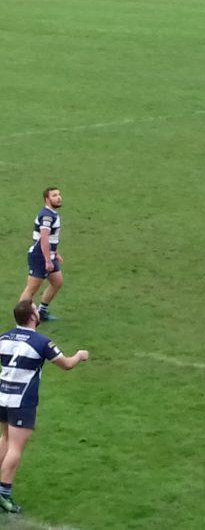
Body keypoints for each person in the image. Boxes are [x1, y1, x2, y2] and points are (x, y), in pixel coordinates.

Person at [0, 300, 89, 514]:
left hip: (2, 396)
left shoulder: (4, 338)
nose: (38, 312)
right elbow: (66, 364)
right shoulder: (41, 342)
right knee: (15, 448)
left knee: (5, 439)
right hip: (22, 401)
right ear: (32, 317)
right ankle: (4, 494)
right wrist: (80, 355)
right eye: (35, 310)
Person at [19, 188, 64, 322]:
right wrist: (47, 260)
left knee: (57, 282)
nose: (59, 197)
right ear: (47, 199)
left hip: (48, 255)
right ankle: (21, 319)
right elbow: (43, 238)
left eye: (59, 194)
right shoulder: (47, 216)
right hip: (40, 256)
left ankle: (42, 312)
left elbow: (50, 238)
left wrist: (55, 254)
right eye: (54, 195)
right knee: (31, 290)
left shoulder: (52, 214)